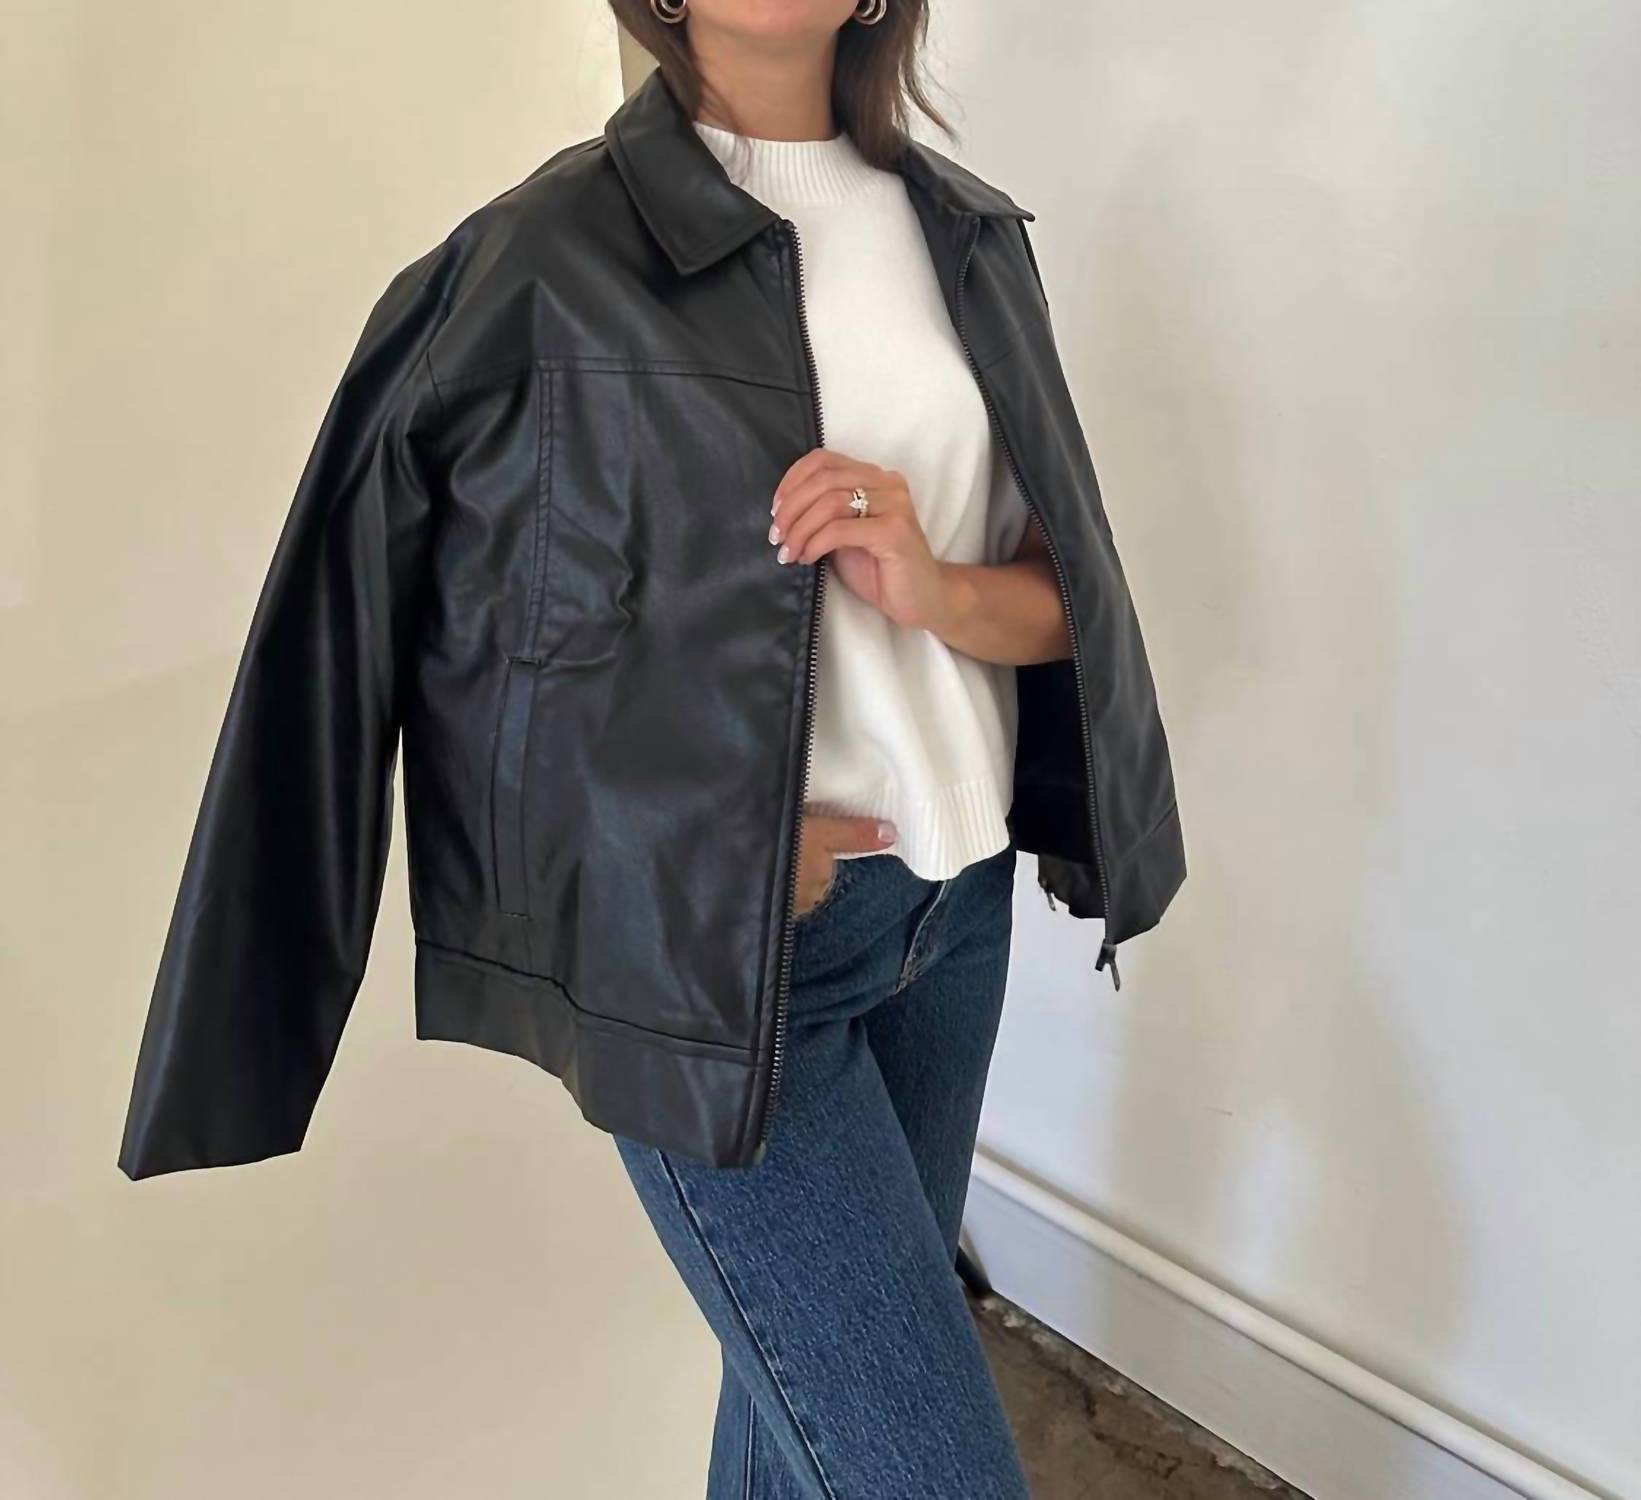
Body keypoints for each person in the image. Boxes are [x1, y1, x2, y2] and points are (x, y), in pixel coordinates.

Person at [117, 0, 1186, 1494]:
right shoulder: (543, 258)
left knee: (788, 1437)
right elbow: (443, 646)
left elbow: (1066, 601)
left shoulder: (967, 237)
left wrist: (933, 589)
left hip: (954, 921)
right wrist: (720, 847)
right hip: (731, 958)